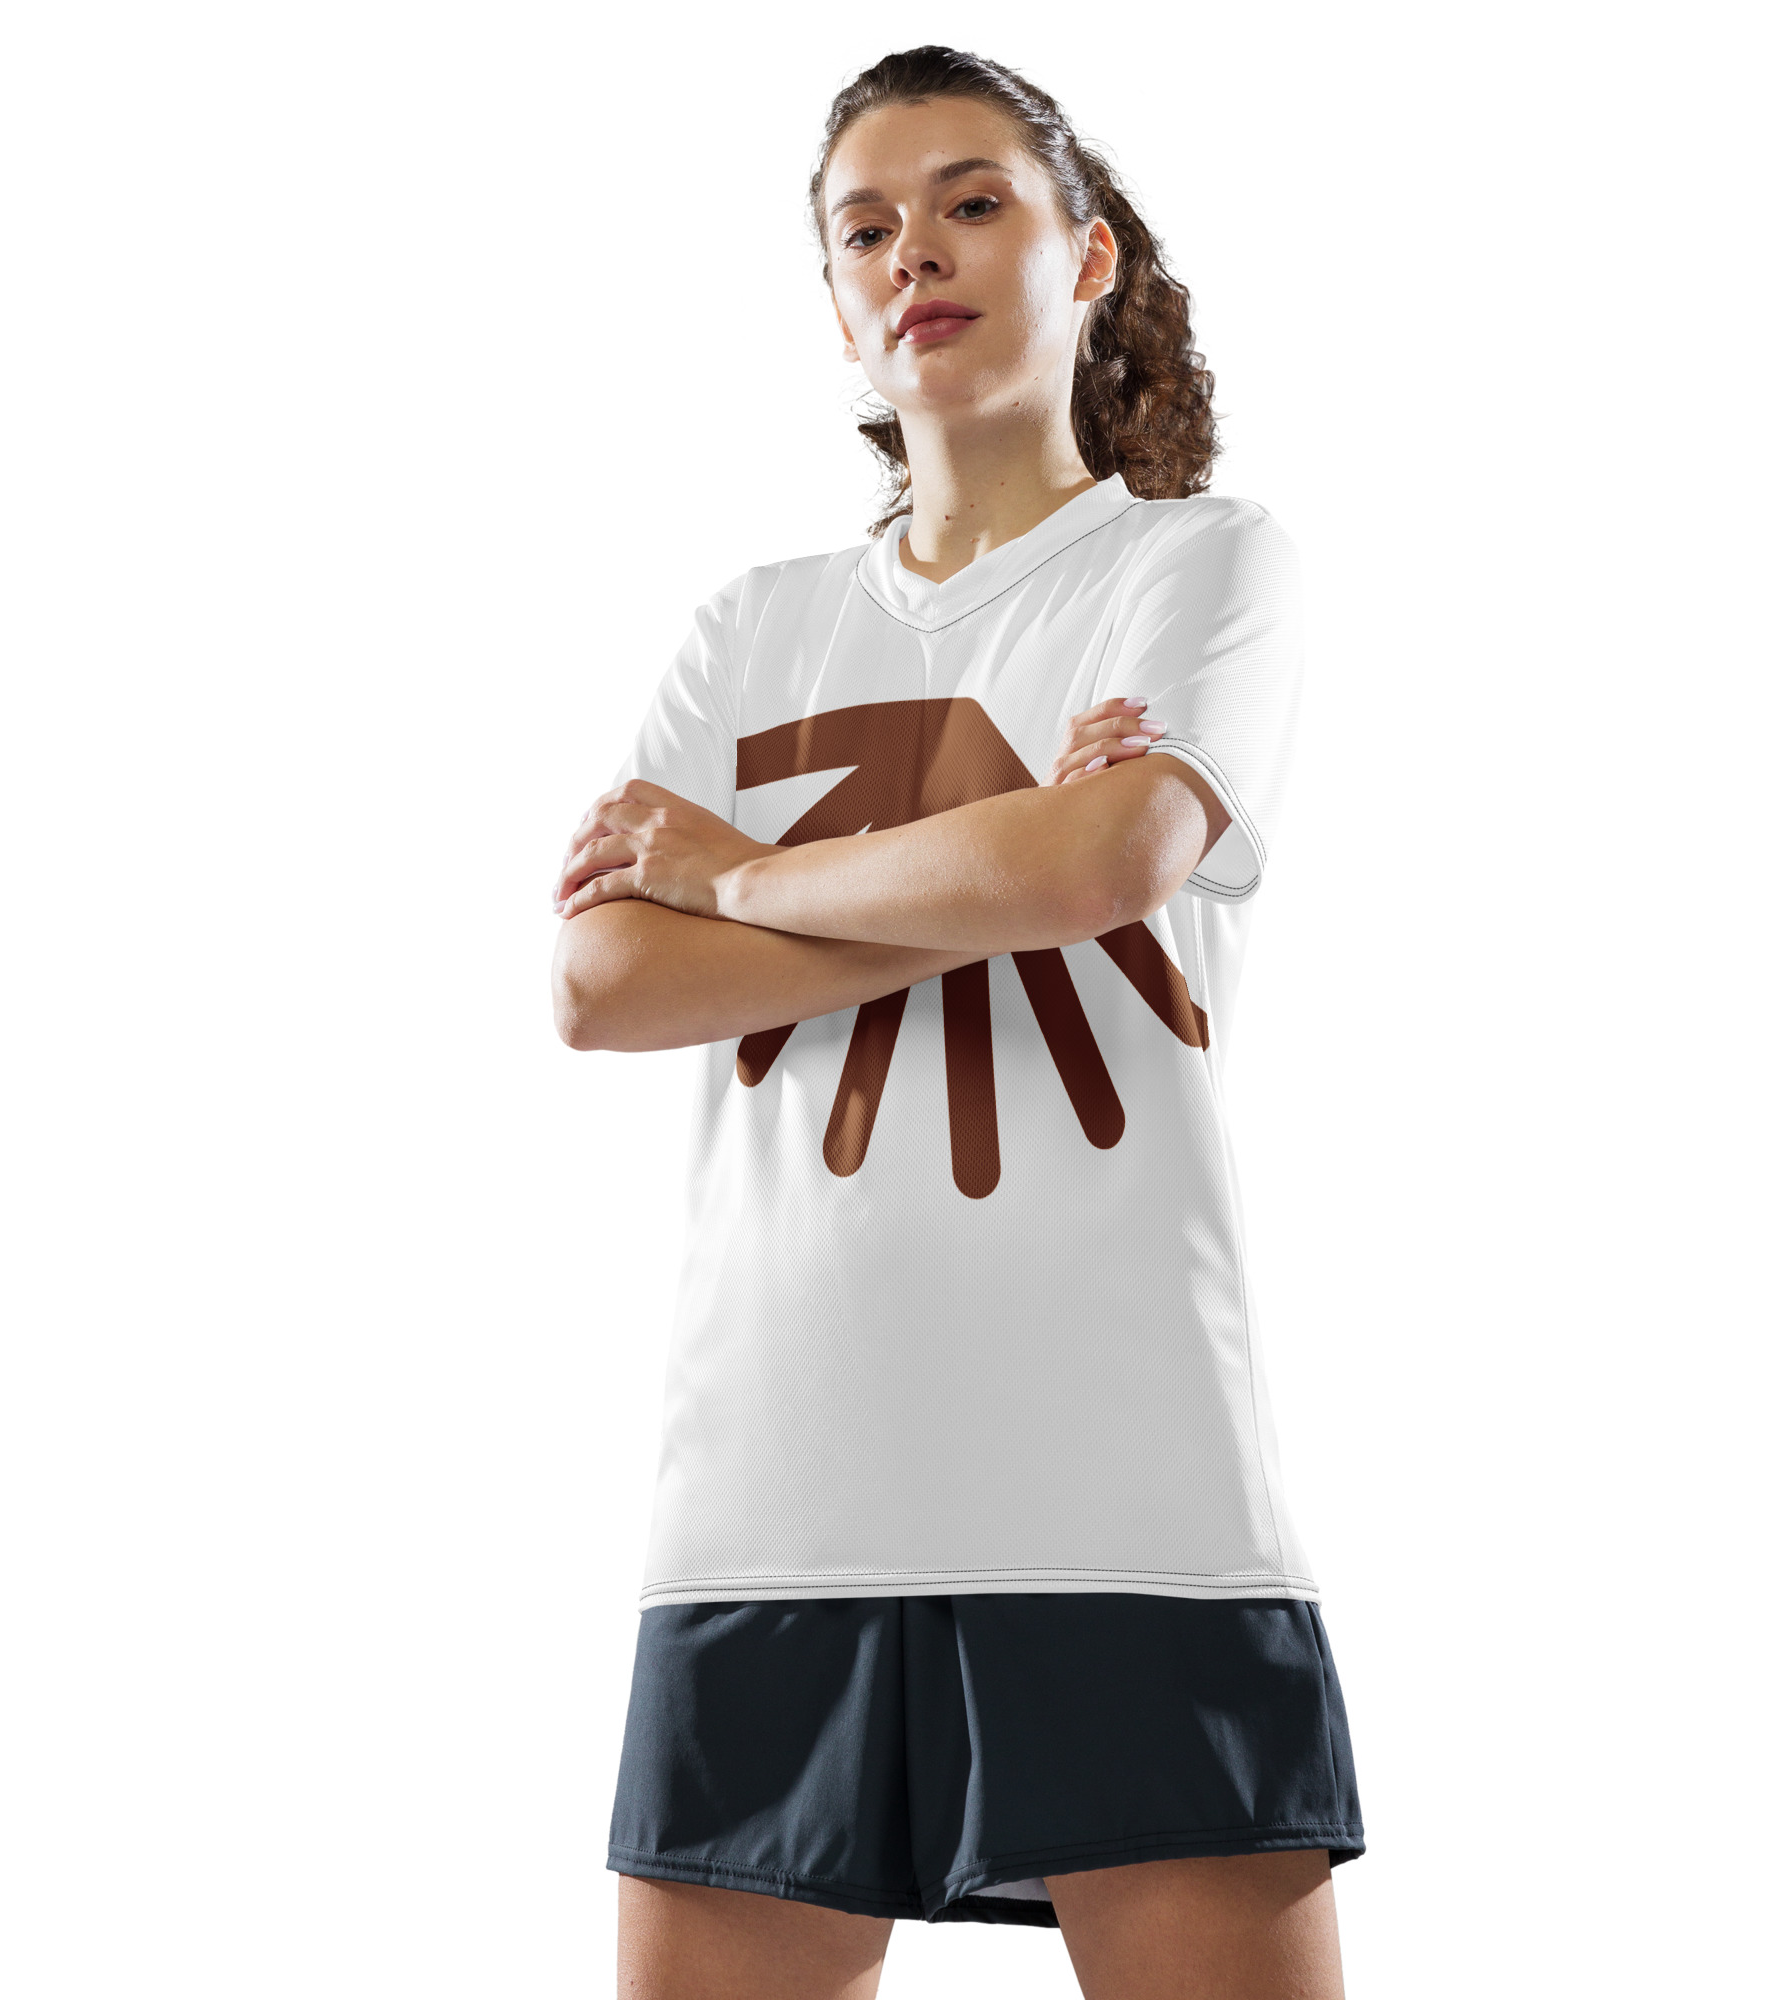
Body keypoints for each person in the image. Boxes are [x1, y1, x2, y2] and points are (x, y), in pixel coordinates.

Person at [549, 45, 1363, 2000]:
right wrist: (995, 862)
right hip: (770, 1499)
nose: (912, 248)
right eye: (865, 226)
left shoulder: (1199, 565)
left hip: (1123, 1490)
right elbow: (601, 984)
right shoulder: (748, 628)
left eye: (972, 201)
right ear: (835, 301)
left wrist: (738, 877)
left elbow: (1111, 859)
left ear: (1088, 256)